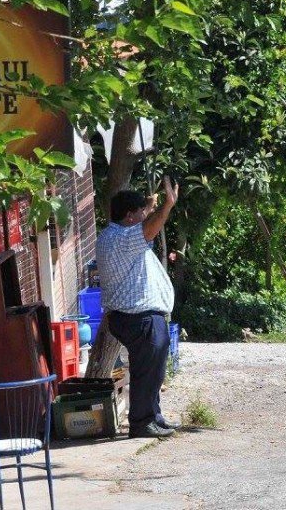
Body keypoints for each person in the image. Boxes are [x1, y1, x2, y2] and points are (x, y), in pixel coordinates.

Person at [97, 176, 180, 438]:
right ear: (130, 216)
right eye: (141, 212)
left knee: (153, 370)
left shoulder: (115, 236)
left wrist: (152, 207)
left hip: (137, 317)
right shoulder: (120, 238)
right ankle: (142, 422)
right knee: (147, 371)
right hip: (138, 317)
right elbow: (148, 229)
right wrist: (168, 205)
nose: (146, 216)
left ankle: (152, 417)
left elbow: (145, 227)